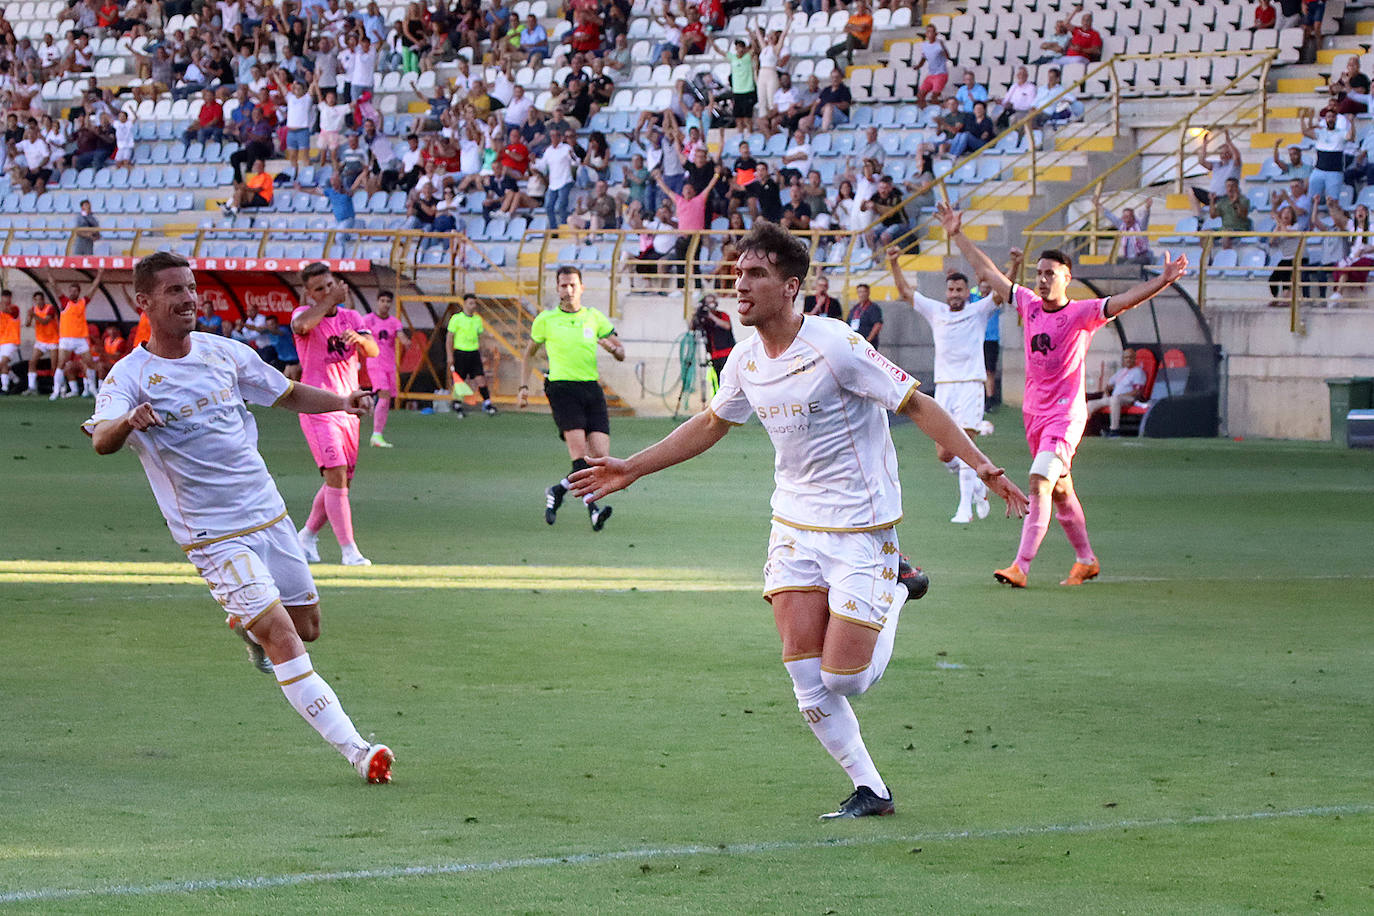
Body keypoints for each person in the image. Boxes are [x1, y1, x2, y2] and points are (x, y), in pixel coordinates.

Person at [567, 221, 1027, 819]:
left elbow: (919, 404)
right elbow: (711, 423)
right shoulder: (745, 360)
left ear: (790, 287)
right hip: (792, 526)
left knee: (846, 681)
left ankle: (893, 583)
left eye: (755, 274)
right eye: (738, 274)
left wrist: (986, 469)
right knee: (804, 674)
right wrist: (633, 467)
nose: (741, 285)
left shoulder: (836, 344)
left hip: (861, 527)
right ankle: (872, 789)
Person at [82, 251, 393, 786]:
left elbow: (288, 393)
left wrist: (342, 401)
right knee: (283, 638)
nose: (187, 299)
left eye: (191, 288)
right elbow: (101, 438)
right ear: (144, 303)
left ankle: (248, 632)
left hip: (268, 514)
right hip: (212, 535)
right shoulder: (129, 376)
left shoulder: (224, 352)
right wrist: (128, 422)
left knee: (307, 628)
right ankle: (359, 750)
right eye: (174, 291)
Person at [937, 201, 1188, 588]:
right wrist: (957, 234)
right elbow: (987, 271)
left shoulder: (1083, 313)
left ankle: (1020, 566)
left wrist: (1163, 281)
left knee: (1039, 480)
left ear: (1066, 277)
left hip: (1066, 416)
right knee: (1061, 492)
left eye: (1050, 274)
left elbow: (1126, 300)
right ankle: (1086, 559)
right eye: (1038, 273)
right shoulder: (1029, 304)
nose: (1041, 279)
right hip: (1034, 416)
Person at [888, 249, 998, 524]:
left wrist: (1017, 264)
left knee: (967, 446)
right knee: (945, 453)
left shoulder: (978, 311)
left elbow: (1001, 292)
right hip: (945, 388)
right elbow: (904, 292)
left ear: (966, 292)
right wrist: (893, 262)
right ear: (946, 291)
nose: (955, 293)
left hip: (971, 385)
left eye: (960, 289)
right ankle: (977, 487)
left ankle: (965, 509)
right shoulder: (935, 311)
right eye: (951, 289)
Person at [518, 265, 625, 532]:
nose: (568, 290)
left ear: (582, 287)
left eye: (572, 285)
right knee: (579, 458)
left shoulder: (594, 317)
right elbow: (528, 353)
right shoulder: (546, 319)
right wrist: (523, 386)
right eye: (563, 285)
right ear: (557, 288)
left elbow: (621, 352)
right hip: (562, 388)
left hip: (591, 389)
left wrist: (613, 348)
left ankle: (558, 490)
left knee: (600, 458)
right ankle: (593, 511)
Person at [292, 262, 380, 567]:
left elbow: (373, 351)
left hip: (348, 407)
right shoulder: (303, 317)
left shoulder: (351, 318)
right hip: (318, 406)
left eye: (330, 285)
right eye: (319, 289)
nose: (327, 292)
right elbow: (301, 327)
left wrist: (360, 339)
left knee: (341, 481)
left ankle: (306, 537)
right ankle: (349, 551)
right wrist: (329, 301)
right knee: (336, 474)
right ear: (308, 293)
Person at [361, 291, 409, 447]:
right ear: (377, 302)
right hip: (375, 363)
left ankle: (378, 433)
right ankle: (376, 435)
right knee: (384, 394)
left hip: (390, 364)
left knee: (386, 398)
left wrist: (406, 341)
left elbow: (400, 335)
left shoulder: (394, 322)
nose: (385, 304)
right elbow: (359, 337)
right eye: (382, 300)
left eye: (388, 301)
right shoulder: (368, 320)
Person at [53, 270, 104, 400]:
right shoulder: (65, 302)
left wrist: (99, 274)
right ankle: (56, 390)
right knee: (61, 363)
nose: (73, 293)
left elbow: (93, 287)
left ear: (78, 292)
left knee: (90, 363)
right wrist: (48, 271)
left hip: (80, 338)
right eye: (71, 290)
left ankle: (93, 388)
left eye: (75, 291)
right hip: (66, 338)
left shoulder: (82, 302)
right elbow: (54, 286)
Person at [445, 294, 498, 417]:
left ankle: (487, 403)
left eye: (474, 303)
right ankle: (457, 403)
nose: (473, 306)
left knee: (481, 379)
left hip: (474, 353)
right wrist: (449, 355)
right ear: (464, 304)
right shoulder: (456, 318)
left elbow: (480, 338)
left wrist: (483, 353)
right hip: (460, 353)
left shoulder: (477, 320)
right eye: (470, 303)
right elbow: (449, 338)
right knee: (460, 380)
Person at [1086, 348, 1148, 436]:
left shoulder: (1138, 372)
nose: (1128, 360)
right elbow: (1109, 385)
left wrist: (1120, 396)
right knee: (1091, 404)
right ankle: (1085, 429)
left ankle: (1114, 430)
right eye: (1126, 358)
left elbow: (1137, 391)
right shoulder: (1121, 372)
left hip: (1129, 398)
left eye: (1130, 357)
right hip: (1115, 398)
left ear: (1134, 359)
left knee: (1114, 400)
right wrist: (1106, 391)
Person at [1094, 192, 1154, 264]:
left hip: (1143, 257)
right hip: (1129, 257)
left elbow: (1145, 217)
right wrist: (1098, 205)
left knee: (1128, 264)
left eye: (1129, 217)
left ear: (1133, 218)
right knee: (1110, 263)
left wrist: (1147, 207)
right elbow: (1110, 216)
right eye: (1125, 217)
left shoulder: (1140, 226)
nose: (1127, 220)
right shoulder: (1122, 226)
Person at [0, 293, 21, 393]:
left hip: (11, 341)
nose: (5, 299)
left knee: (2, 363)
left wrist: (2, 305)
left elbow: (7, 310)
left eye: (7, 297)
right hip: (1, 341)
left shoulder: (14, 308)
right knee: (4, 365)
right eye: (4, 297)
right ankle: (14, 381)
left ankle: (6, 386)